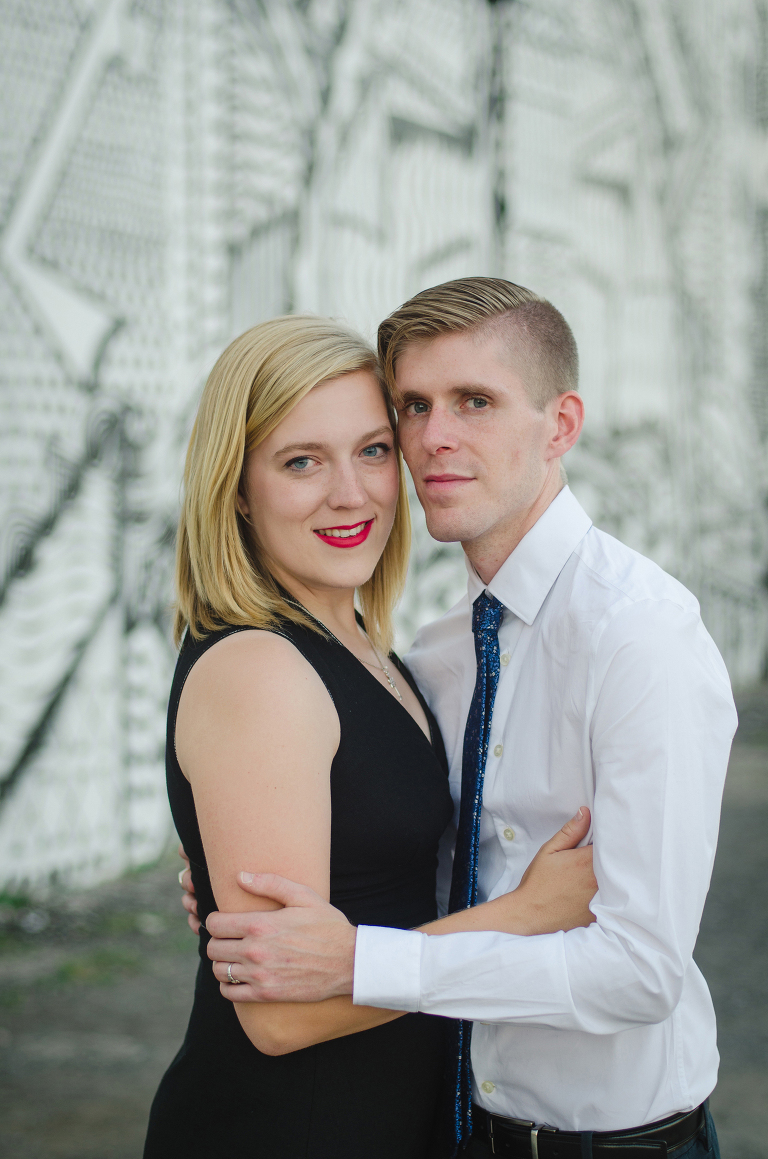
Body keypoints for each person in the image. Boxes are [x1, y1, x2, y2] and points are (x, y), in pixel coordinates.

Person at [187, 280, 736, 1159]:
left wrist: (364, 960)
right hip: (449, 1127)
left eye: (474, 401)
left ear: (559, 425)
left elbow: (640, 971)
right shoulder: (436, 654)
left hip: (609, 1143)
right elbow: (410, 849)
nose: (433, 438)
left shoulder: (640, 635)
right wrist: (226, 867)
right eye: (413, 406)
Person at [147, 313, 598, 1159]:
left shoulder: (365, 646)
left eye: (372, 450)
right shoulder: (261, 668)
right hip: (288, 1128)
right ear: (236, 487)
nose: (350, 493)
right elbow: (281, 1016)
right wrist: (524, 915)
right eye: (300, 461)